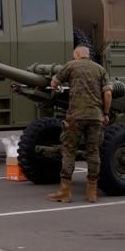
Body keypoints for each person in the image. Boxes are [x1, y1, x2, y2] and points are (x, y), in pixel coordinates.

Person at [46, 44, 111, 203]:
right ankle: (91, 192)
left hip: (75, 115)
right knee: (93, 151)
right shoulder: (99, 69)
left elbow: (54, 83)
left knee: (69, 150)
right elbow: (108, 93)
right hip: (95, 116)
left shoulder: (71, 66)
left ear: (77, 54)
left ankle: (65, 191)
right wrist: (106, 113)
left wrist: (58, 86)